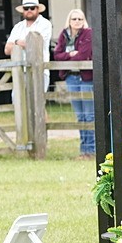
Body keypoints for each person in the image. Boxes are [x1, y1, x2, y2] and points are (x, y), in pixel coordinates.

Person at [53, 9, 94, 158]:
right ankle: (84, 150)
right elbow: (56, 55)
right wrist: (70, 54)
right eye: (74, 19)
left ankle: (91, 149)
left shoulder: (88, 33)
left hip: (86, 77)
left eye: (80, 19)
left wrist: (68, 58)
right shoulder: (64, 35)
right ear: (69, 21)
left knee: (89, 115)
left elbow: (83, 55)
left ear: (84, 21)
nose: (77, 21)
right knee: (80, 116)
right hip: (71, 77)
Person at [5, 0, 53, 89]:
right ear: (23, 10)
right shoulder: (18, 26)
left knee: (37, 102)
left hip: (39, 70)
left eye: (32, 8)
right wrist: (19, 42)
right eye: (26, 8)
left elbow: (34, 44)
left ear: (38, 9)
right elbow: (7, 50)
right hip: (20, 70)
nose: (29, 11)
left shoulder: (45, 24)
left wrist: (16, 42)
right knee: (18, 101)